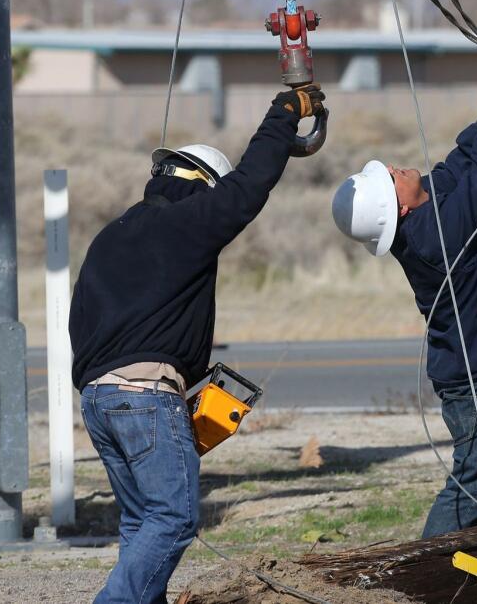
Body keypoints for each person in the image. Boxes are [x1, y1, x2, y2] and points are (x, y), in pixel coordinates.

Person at [69, 85, 326, 603]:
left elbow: (83, 321)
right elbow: (251, 185)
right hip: (145, 398)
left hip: (99, 401)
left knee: (142, 522)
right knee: (174, 517)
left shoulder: (111, 235)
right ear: (203, 185)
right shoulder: (185, 224)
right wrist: (284, 115)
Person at [331, 48, 477, 537]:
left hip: (473, 375)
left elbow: (465, 162)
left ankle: (470, 571)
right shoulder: (437, 234)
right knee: (476, 481)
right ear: (397, 212)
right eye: (389, 181)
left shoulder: (430, 207)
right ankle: (428, 571)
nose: (394, 168)